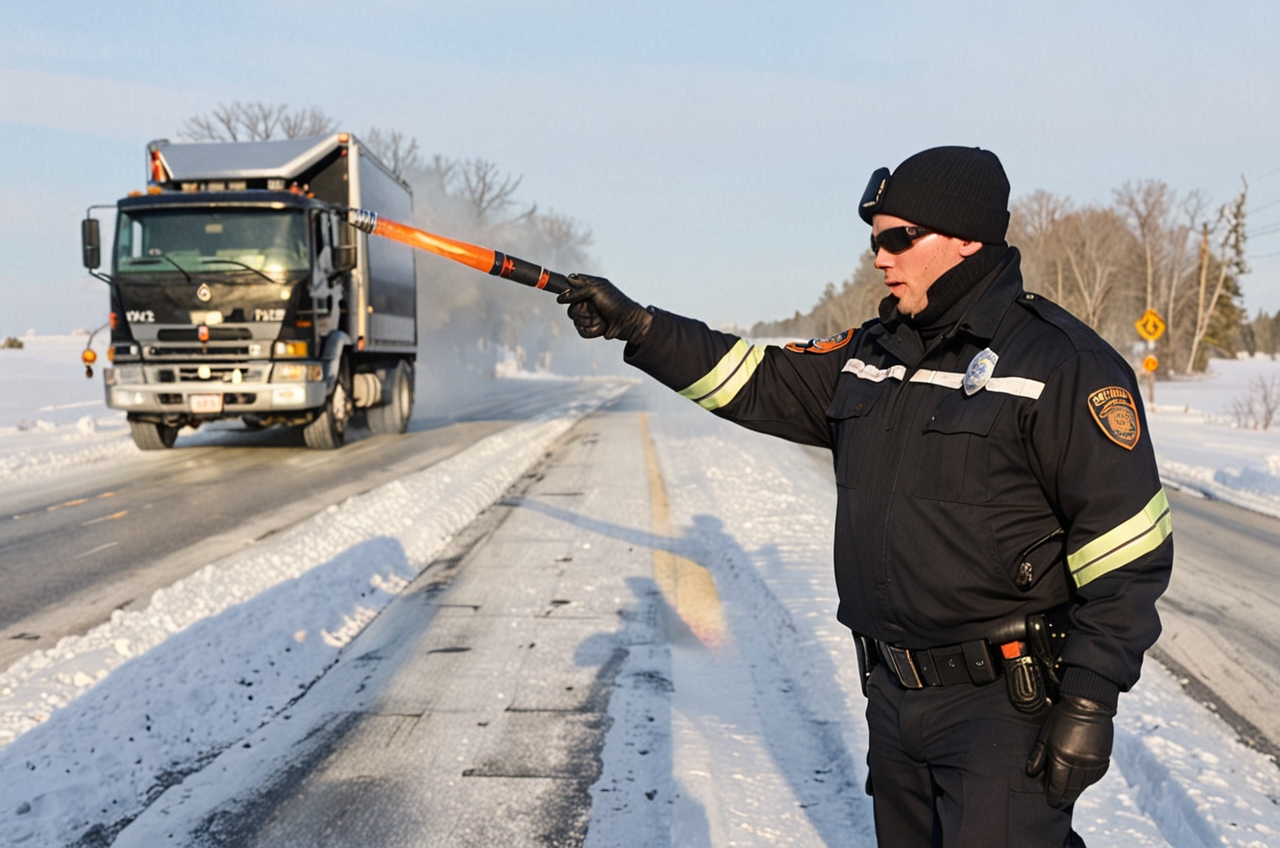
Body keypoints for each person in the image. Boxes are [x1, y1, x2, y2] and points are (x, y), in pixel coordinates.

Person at [557, 146, 1172, 847]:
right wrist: (640, 327)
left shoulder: (1062, 365)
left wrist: (1091, 698)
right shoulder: (873, 354)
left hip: (1002, 709)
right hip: (895, 699)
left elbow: (1129, 552)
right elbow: (753, 379)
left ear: (966, 240)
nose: (879, 258)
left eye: (896, 238)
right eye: (875, 240)